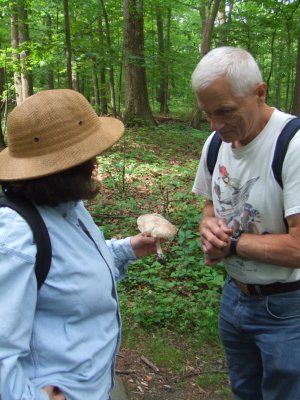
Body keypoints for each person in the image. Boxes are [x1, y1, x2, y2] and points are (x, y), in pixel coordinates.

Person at [0, 89, 157, 400]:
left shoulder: (68, 207)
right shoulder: (15, 237)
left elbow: (71, 271)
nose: (95, 162)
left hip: (95, 386)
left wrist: (128, 248)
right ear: (66, 167)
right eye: (89, 155)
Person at [191, 46, 300, 400]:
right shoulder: (215, 143)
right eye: (208, 113)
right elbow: (210, 206)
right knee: (244, 391)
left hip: (288, 311)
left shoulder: (292, 145)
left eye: (225, 112)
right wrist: (207, 229)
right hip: (235, 297)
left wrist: (232, 244)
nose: (216, 125)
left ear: (260, 92)